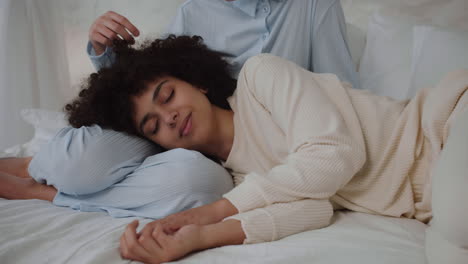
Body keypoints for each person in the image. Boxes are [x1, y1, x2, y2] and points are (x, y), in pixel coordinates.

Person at [64, 35, 468, 264]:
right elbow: (315, 208)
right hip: (431, 207)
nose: (168, 117)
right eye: (153, 125)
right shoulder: (237, 181)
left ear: (196, 82)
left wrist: (210, 212)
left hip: (447, 127)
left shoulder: (261, 77)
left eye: (167, 96)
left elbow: (335, 154)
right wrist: (196, 238)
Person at [87, 0, 360, 88]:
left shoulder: (313, 4)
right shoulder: (193, 12)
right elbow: (147, 86)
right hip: (219, 149)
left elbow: (341, 89)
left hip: (298, 139)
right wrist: (104, 49)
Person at [0, 125, 233, 219]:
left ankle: (39, 190)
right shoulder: (191, 19)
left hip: (206, 143)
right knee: (74, 163)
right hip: (141, 127)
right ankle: (31, 166)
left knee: (200, 183)